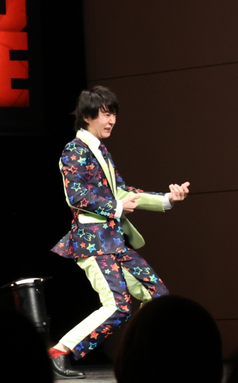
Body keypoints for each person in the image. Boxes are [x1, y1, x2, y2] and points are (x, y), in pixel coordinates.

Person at [48, 86, 190, 379]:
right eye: (105, 114)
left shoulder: (100, 150)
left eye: (113, 114)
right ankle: (61, 350)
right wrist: (116, 207)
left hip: (114, 241)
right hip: (93, 241)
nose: (111, 120)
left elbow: (122, 192)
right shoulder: (74, 150)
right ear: (87, 116)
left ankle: (145, 356)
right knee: (118, 305)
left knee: (158, 296)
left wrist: (167, 199)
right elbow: (75, 195)